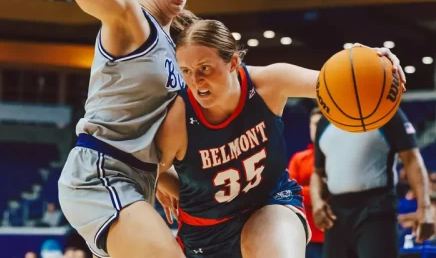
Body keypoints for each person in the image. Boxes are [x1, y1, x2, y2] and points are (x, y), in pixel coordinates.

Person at [154, 18, 405, 258]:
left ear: (232, 63)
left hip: (269, 203)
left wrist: (372, 62)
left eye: (204, 68)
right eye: (185, 71)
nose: (196, 81)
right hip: (207, 231)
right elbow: (138, 169)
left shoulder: (269, 83)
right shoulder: (179, 118)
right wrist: (176, 187)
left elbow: (339, 81)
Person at [58, 0, 193, 257]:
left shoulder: (176, 50)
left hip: (138, 179)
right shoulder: (130, 15)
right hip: (101, 174)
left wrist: (179, 186)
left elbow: (146, 137)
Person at [310, 109, 434, 258]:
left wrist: (425, 209)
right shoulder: (325, 121)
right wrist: (317, 202)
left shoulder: (386, 112)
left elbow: (411, 159)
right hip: (336, 213)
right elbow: (318, 172)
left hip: (377, 208)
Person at [288, 107, 324, 258]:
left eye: (322, 124)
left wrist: (305, 191)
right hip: (305, 236)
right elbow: (289, 194)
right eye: (314, 124)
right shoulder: (299, 159)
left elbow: (342, 194)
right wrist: (320, 192)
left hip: (337, 236)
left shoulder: (340, 157)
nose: (317, 129)